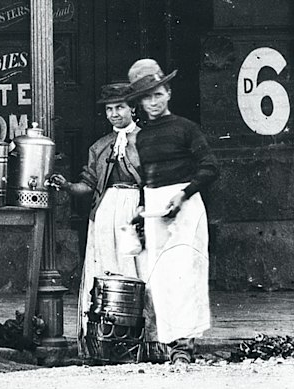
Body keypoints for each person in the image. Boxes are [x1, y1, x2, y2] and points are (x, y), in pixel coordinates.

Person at [126, 58, 219, 364]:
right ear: (138, 102)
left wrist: (183, 194)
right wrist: (143, 204)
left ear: (168, 93)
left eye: (158, 94)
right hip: (155, 208)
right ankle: (168, 345)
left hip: (185, 206)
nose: (153, 102)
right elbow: (147, 176)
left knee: (184, 274)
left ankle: (185, 347)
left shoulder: (185, 128)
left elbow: (210, 167)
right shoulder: (142, 136)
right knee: (161, 277)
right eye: (146, 97)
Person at [49, 82, 144, 358]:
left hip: (134, 213)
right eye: (109, 109)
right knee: (105, 271)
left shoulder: (149, 142)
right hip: (104, 215)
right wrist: (67, 185)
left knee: (135, 269)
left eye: (120, 107)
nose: (114, 114)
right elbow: (88, 186)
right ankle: (104, 340)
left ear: (133, 108)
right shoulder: (100, 147)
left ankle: (139, 339)